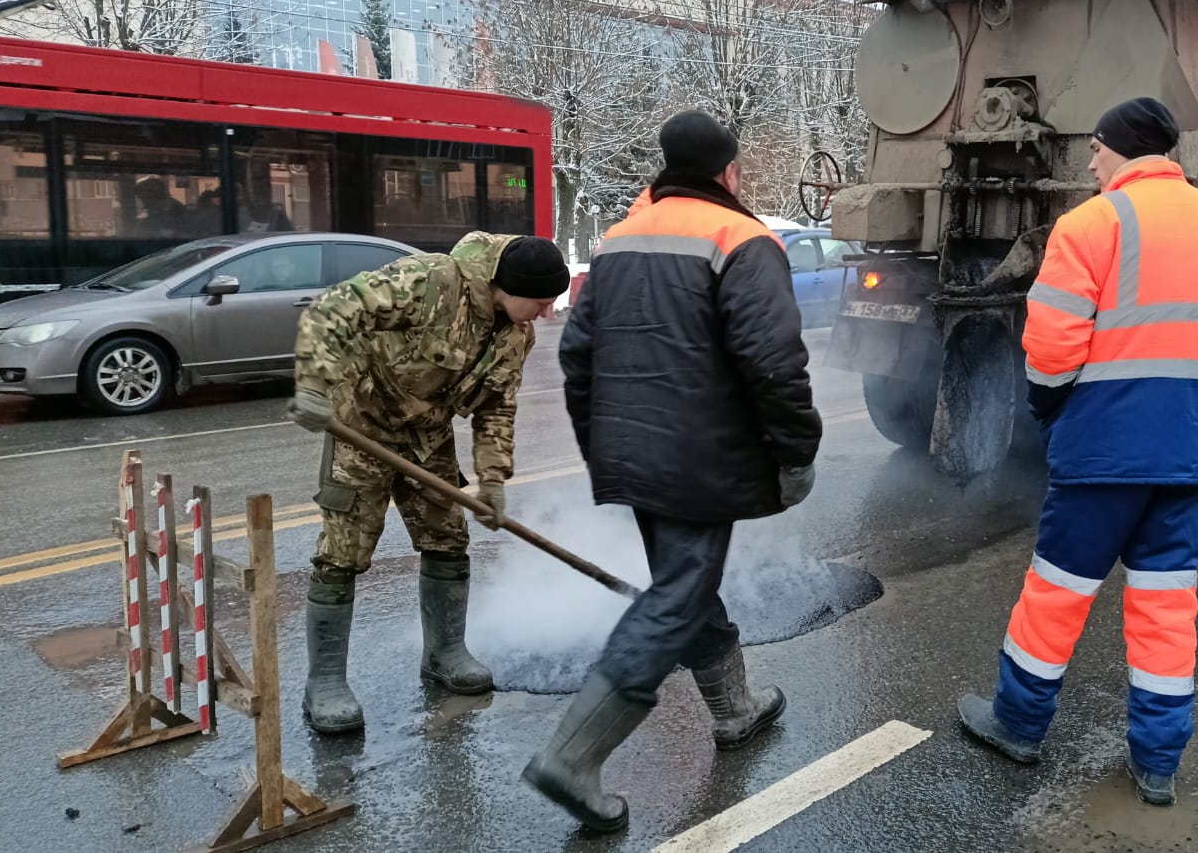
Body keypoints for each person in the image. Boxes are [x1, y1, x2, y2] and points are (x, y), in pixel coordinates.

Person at [956, 98, 1198, 806]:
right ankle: (1157, 762)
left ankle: (1019, 725)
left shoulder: (1092, 224)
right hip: (1190, 449)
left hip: (1102, 451)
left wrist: (1050, 408)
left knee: (1057, 596)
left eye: (1095, 148)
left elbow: (1052, 344)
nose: (1090, 161)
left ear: (1121, 148)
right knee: (1165, 607)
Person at [524, 110, 822, 832]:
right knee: (679, 594)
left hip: (633, 449)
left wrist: (603, 447)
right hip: (698, 454)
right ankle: (574, 757)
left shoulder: (619, 240)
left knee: (683, 584)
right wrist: (795, 448)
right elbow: (773, 363)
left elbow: (576, 357)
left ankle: (735, 710)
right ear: (729, 172)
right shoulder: (742, 239)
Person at [287, 232, 569, 733]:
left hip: (427, 435)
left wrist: (493, 480)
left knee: (447, 537)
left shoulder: (513, 336)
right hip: (360, 426)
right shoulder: (429, 282)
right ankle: (325, 682)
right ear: (511, 285)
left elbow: (496, 408)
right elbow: (333, 308)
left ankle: (445, 653)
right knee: (342, 552)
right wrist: (313, 383)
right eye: (543, 302)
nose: (547, 313)